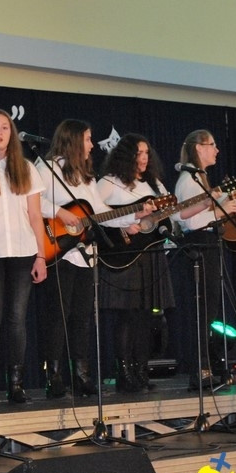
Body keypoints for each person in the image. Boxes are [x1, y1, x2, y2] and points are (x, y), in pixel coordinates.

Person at [35, 119, 154, 398]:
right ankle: (54, 377)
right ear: (74, 140)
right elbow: (33, 201)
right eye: (88, 139)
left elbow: (100, 212)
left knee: (82, 316)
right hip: (59, 251)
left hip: (85, 256)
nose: (91, 145)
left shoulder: (86, 176)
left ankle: (81, 375)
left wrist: (132, 215)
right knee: (58, 316)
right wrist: (60, 213)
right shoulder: (48, 169)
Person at [97, 133, 204, 393]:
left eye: (146, 153)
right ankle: (124, 373)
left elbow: (172, 214)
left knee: (146, 316)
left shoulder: (154, 184)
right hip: (124, 254)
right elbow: (96, 215)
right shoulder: (109, 182)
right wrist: (127, 222)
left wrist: (200, 204)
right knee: (128, 315)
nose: (144, 158)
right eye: (138, 153)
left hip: (151, 253)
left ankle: (141, 370)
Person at [0, 108, 47, 405]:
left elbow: (35, 215)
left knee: (17, 319)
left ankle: (16, 385)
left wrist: (41, 256)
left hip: (22, 251)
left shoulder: (26, 168)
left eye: (5, 127)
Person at [172, 129, 236, 390]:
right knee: (201, 311)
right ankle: (199, 370)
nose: (217, 150)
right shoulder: (189, 180)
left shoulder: (198, 178)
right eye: (212, 145)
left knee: (208, 311)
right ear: (199, 148)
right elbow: (188, 221)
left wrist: (223, 205)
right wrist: (220, 212)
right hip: (198, 246)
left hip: (207, 244)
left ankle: (206, 367)